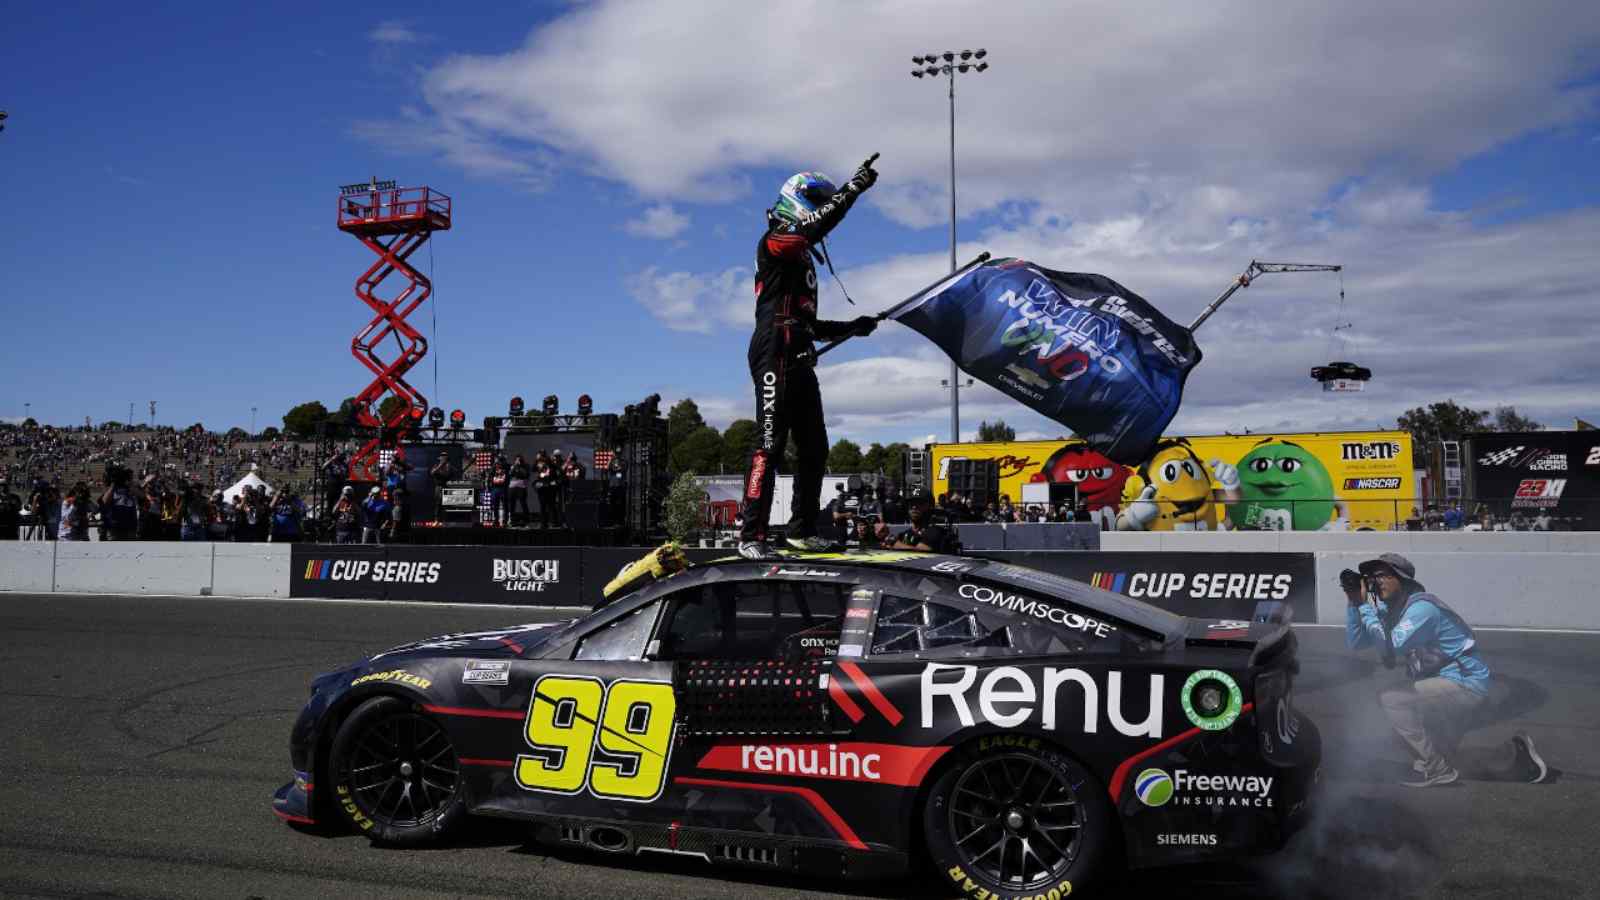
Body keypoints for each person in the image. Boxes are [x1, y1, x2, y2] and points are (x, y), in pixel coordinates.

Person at [737, 159, 881, 559]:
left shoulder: (801, 260)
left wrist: (853, 326)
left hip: (798, 350)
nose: (823, 206)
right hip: (773, 349)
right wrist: (851, 191)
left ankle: (801, 529)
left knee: (815, 446)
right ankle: (751, 535)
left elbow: (810, 324)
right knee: (769, 443)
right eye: (818, 200)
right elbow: (812, 226)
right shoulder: (776, 240)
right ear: (798, 200)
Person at [1343, 553, 1548, 786]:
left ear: (1403, 579)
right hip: (1446, 687)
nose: (1375, 581)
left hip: (1465, 684)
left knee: (1391, 699)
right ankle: (1515, 756)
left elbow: (1392, 645)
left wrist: (1363, 606)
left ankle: (1437, 770)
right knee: (1441, 753)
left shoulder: (1422, 608)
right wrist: (1353, 602)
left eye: (1382, 575)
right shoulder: (1395, 612)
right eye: (1372, 576)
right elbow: (1356, 643)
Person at [890, 490, 960, 554]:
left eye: (919, 503)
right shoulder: (904, 534)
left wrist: (895, 544)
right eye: (911, 504)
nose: (914, 507)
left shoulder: (934, 532)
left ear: (930, 507)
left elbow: (920, 553)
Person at [534, 455, 561, 529]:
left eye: (543, 462)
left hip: (551, 491)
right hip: (542, 491)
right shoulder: (541, 469)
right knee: (542, 507)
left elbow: (558, 479)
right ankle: (543, 524)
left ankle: (554, 523)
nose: (541, 464)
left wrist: (554, 483)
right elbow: (538, 480)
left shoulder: (554, 468)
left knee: (552, 506)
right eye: (541, 462)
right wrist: (536, 484)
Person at [507, 455, 531, 526]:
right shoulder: (513, 466)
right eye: (517, 460)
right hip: (512, 486)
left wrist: (520, 468)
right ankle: (512, 520)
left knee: (523, 503)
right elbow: (510, 474)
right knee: (512, 504)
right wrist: (514, 466)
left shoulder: (526, 466)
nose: (518, 461)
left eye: (520, 460)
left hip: (521, 486)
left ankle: (526, 520)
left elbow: (526, 475)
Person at [488, 461, 509, 527]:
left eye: (499, 465)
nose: (497, 466)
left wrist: (501, 480)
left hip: (503, 489)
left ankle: (505, 521)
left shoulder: (505, 472)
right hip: (495, 489)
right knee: (495, 506)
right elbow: (489, 480)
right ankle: (496, 520)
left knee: (505, 506)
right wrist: (490, 489)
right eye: (496, 465)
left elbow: (506, 480)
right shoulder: (492, 472)